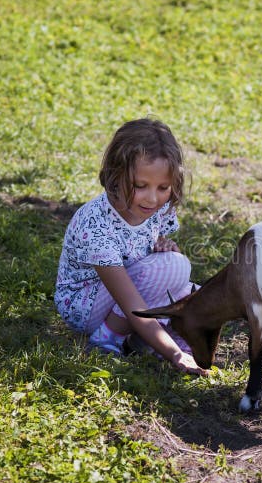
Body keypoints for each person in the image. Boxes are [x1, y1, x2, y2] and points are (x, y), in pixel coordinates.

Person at [54, 118, 206, 375]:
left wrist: (164, 245)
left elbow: (151, 243)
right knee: (173, 269)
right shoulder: (97, 224)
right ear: (116, 176)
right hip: (85, 305)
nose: (153, 198)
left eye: (163, 187)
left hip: (125, 291)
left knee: (194, 292)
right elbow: (132, 301)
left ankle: (140, 340)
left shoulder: (157, 209)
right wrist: (175, 354)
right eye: (140, 186)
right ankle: (107, 338)